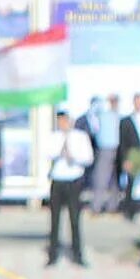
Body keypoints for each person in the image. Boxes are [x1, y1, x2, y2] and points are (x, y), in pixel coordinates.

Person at [45, 108, 92, 266]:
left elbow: (88, 158)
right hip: (58, 179)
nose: (63, 124)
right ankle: (52, 255)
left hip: (74, 179)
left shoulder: (80, 137)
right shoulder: (54, 137)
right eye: (60, 121)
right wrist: (60, 151)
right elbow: (48, 153)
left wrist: (74, 155)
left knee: (75, 218)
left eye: (65, 120)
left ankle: (77, 254)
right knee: (55, 219)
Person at [82, 95, 119, 214]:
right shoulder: (105, 115)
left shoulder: (112, 116)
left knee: (110, 179)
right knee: (106, 179)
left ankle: (105, 206)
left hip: (111, 148)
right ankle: (102, 206)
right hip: (108, 148)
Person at [120, 92, 140, 219]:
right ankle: (129, 211)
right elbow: (123, 143)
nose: (139, 104)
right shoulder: (126, 121)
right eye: (136, 102)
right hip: (133, 155)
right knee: (131, 183)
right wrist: (125, 159)